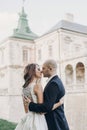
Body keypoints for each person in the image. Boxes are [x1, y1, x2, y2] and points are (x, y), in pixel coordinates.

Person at [15, 63, 63, 130]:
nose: (41, 71)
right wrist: (59, 103)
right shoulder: (38, 86)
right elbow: (42, 111)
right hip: (38, 121)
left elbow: (26, 110)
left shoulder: (24, 88)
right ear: (33, 72)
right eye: (38, 69)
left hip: (28, 119)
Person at [24, 59, 70, 130]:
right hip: (53, 122)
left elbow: (46, 108)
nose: (41, 71)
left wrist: (30, 105)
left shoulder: (53, 84)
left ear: (50, 69)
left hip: (56, 124)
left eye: (43, 68)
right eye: (40, 69)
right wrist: (60, 103)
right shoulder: (54, 82)